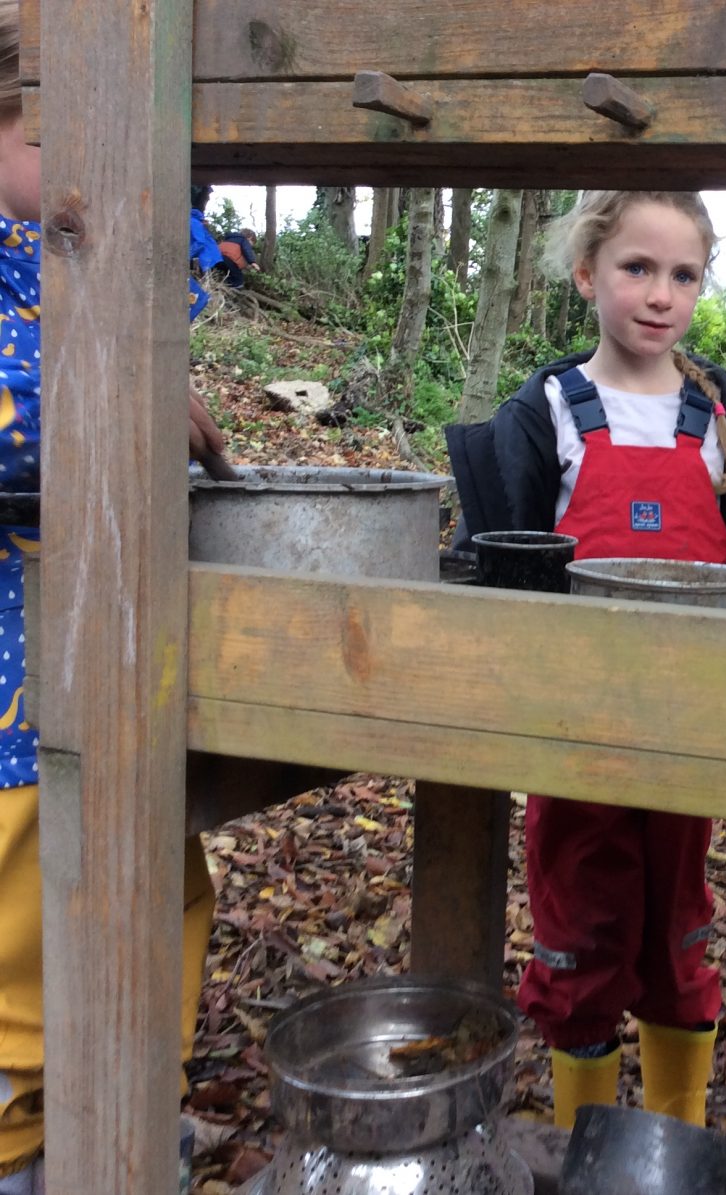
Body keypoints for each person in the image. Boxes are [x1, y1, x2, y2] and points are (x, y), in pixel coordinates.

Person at [445, 190, 726, 1130]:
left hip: (689, 724)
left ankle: (677, 1142)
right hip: (577, 725)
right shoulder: (546, 411)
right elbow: (504, 566)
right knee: (581, 927)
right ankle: (581, 1144)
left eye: (684, 275)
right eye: (637, 268)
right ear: (586, 274)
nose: (660, 294)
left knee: (681, 928)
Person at [0, 5, 230, 1190]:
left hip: (113, 681)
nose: (92, 163)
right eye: (57, 138)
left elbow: (168, 252)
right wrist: (112, 392)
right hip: (13, 710)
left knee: (151, 906)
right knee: (20, 969)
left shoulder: (75, 263)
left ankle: (129, 1115)